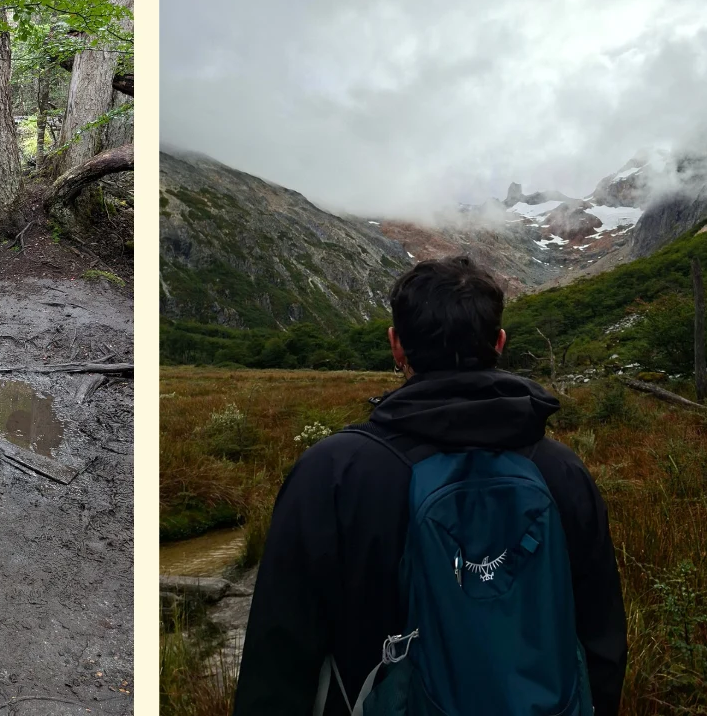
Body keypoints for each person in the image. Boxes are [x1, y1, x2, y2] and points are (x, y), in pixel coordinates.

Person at [232, 255, 626, 716]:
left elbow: (280, 654)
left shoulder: (333, 471)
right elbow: (601, 641)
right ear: (499, 342)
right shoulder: (562, 471)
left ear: (396, 346)